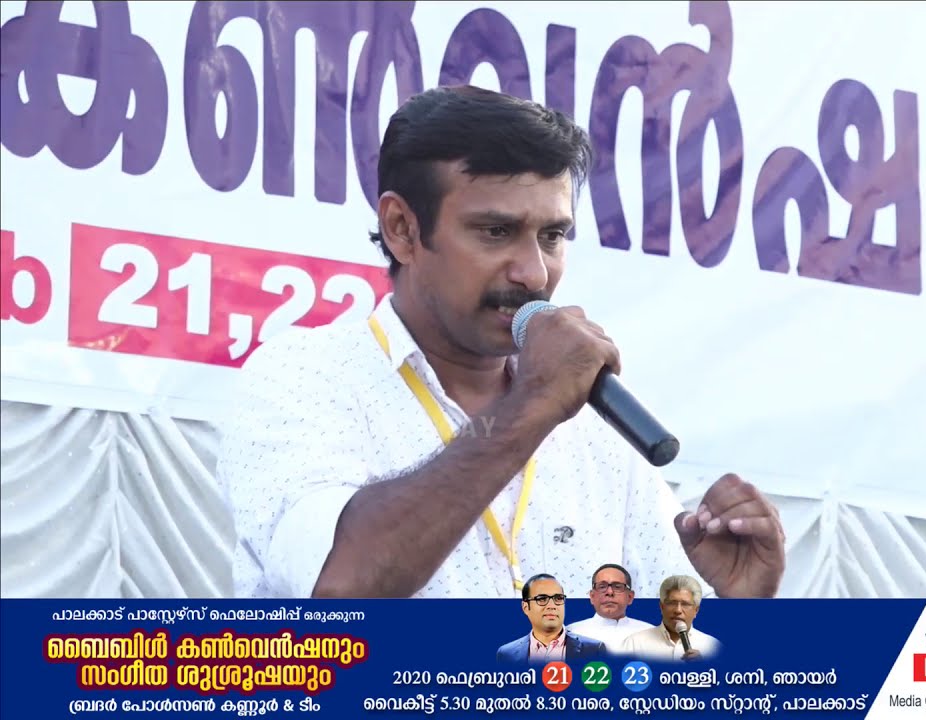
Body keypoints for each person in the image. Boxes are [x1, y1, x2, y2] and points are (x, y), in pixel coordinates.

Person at [216, 84, 786, 601]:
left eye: (552, 236)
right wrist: (531, 406)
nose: (534, 273)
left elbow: (664, 656)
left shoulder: (593, 429)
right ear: (402, 229)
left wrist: (741, 612)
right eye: (496, 232)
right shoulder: (303, 378)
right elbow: (341, 589)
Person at [496, 574, 606, 664]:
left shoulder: (594, 650)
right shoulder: (506, 654)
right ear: (525, 607)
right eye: (542, 599)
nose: (552, 606)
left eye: (558, 598)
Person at [620, 575, 720, 662]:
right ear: (661, 607)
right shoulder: (634, 643)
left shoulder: (713, 646)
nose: (678, 610)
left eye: (685, 604)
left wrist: (705, 668)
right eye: (672, 603)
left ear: (696, 610)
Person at [565, 564, 655, 653]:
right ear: (592, 597)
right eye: (602, 587)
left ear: (630, 597)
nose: (610, 592)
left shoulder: (651, 634)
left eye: (617, 587)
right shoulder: (571, 634)